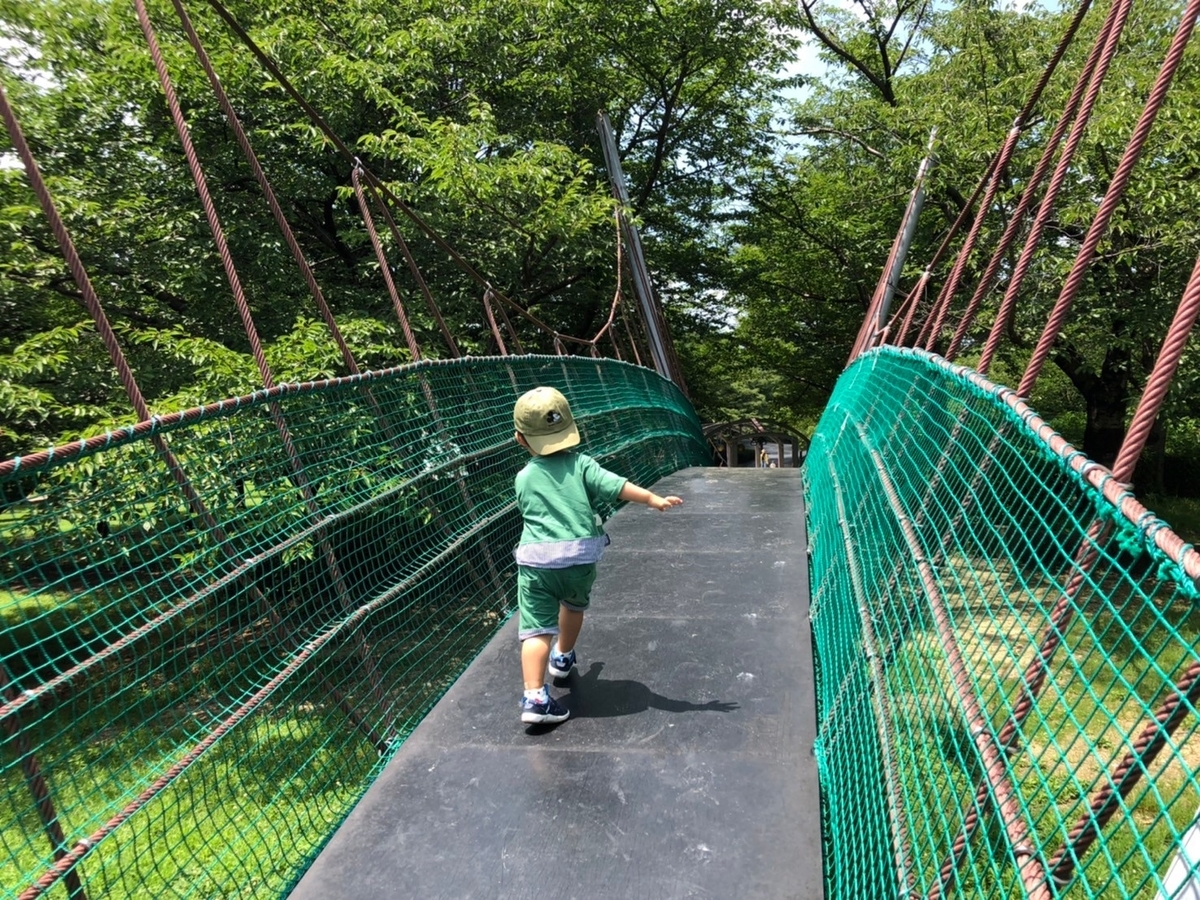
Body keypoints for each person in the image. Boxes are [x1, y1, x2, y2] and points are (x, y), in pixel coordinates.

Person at [512, 386, 683, 725]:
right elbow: (617, 486)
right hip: (579, 560)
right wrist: (653, 499)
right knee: (574, 607)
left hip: (536, 565)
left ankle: (535, 698)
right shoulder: (583, 465)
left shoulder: (523, 477)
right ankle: (562, 659)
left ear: (521, 439)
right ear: (570, 429)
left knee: (535, 632)